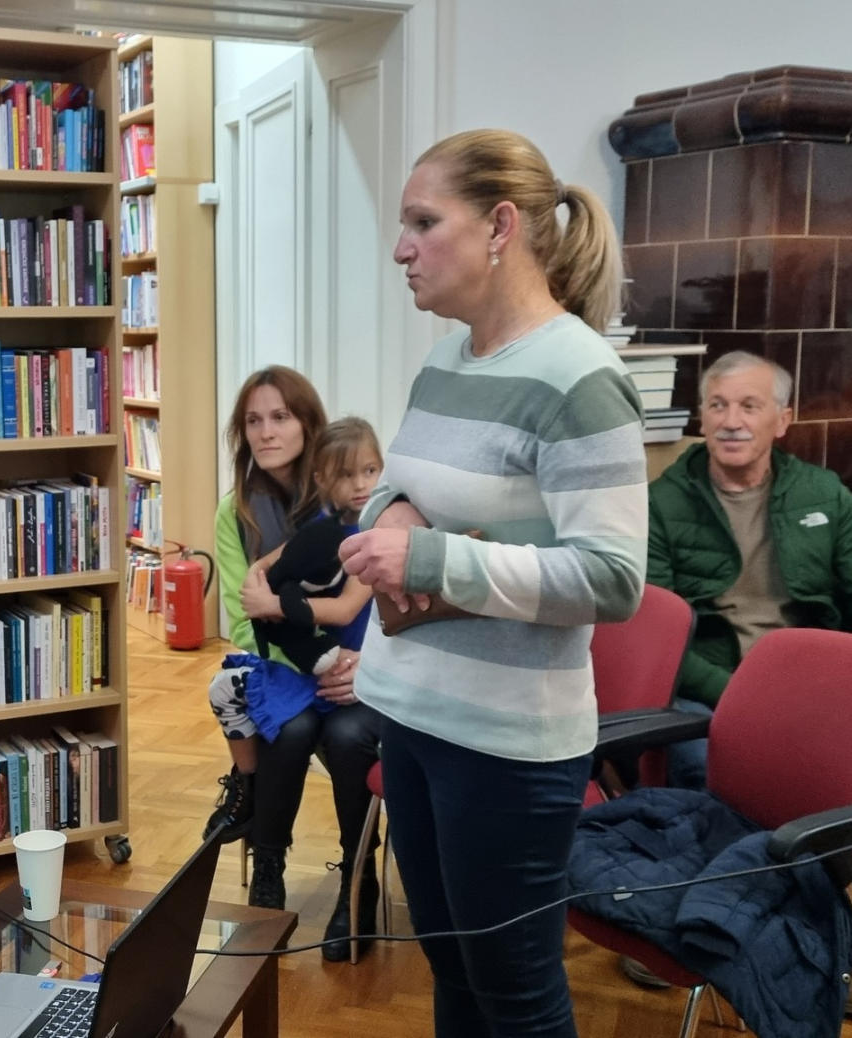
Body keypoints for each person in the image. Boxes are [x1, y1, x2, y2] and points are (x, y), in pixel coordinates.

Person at [341, 129, 645, 1037]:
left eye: (422, 222)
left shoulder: (577, 377)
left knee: (514, 997)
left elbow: (611, 579)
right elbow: (393, 491)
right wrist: (394, 515)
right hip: (411, 711)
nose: (400, 248)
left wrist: (427, 559)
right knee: (451, 971)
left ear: (499, 227)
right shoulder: (445, 360)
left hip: (505, 744)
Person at [204, 368, 382, 962]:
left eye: (280, 417)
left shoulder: (345, 494)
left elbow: (385, 598)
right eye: (253, 421)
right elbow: (242, 619)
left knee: (350, 735)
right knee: (292, 725)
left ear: (309, 424)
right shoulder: (236, 512)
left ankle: (358, 881)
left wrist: (361, 663)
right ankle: (268, 865)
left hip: (359, 664)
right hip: (287, 664)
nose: (266, 432)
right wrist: (312, 663)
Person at [648, 349, 852, 790]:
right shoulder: (659, 503)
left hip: (808, 682)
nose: (731, 421)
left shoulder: (825, 495)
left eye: (749, 406)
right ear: (702, 419)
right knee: (711, 776)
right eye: (718, 405)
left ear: (782, 421)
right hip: (707, 689)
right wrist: (741, 696)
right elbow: (659, 637)